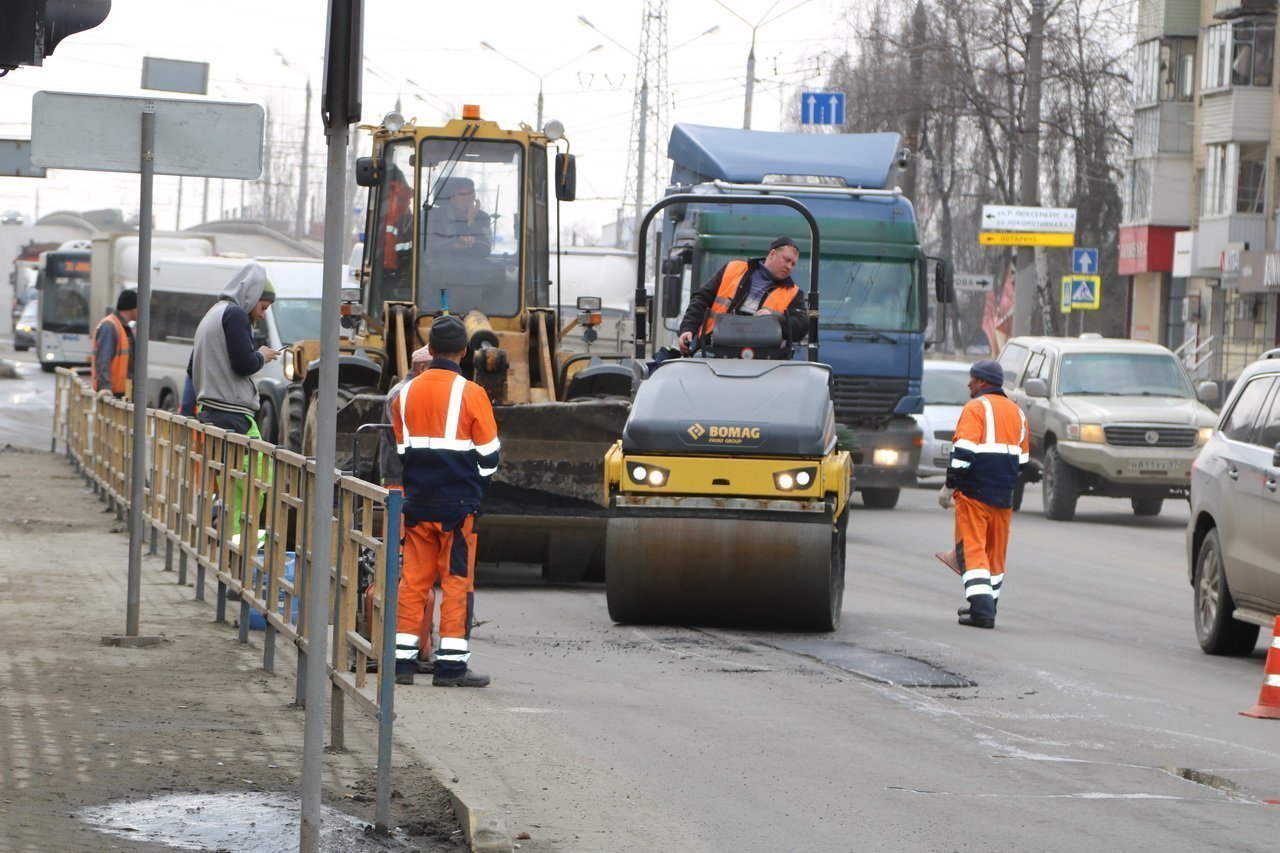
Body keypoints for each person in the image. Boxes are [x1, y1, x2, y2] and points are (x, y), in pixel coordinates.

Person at [391, 314, 499, 687]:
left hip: (417, 504)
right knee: (455, 584)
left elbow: (403, 451)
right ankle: (451, 668)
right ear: (465, 352)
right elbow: (489, 456)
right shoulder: (472, 393)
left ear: (430, 350)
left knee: (412, 583)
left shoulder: (404, 394)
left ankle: (401, 664)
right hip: (458, 508)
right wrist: (474, 487)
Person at [937, 360, 1029, 629]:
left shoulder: (975, 408)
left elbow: (963, 451)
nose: (969, 383)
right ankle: (987, 605)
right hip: (1004, 496)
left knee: (974, 551)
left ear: (983, 382)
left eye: (972, 379)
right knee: (995, 555)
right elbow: (1023, 461)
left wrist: (950, 485)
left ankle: (982, 612)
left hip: (974, 494)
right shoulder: (1017, 413)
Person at [377, 344, 438, 674]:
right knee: (402, 563)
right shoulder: (402, 394)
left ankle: (418, 642)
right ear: (421, 369)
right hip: (402, 483)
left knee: (414, 566)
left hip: (414, 484)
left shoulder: (408, 391)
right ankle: (408, 644)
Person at [189, 263, 279, 436]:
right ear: (251, 297)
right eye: (263, 307)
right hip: (231, 417)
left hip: (209, 413)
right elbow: (244, 364)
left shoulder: (213, 313)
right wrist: (261, 355)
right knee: (249, 464)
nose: (262, 315)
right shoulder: (236, 315)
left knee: (217, 464)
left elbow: (192, 367)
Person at [677, 236, 807, 354]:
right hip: (714, 349)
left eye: (793, 264)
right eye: (787, 260)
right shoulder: (732, 269)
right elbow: (701, 299)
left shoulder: (794, 293)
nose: (789, 266)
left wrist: (775, 319)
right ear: (772, 254)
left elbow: (801, 327)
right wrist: (688, 329)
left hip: (765, 358)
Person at [425, 176, 491, 258]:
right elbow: (430, 246)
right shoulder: (436, 215)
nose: (467, 199)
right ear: (452, 197)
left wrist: (471, 221)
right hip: (441, 266)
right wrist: (457, 243)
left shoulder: (483, 217)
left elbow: (486, 249)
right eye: (462, 194)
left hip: (474, 266)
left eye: (471, 193)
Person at [91, 289, 137, 397]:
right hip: (112, 394)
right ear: (133, 308)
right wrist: (105, 388)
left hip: (121, 392)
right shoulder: (110, 326)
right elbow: (103, 359)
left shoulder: (123, 327)